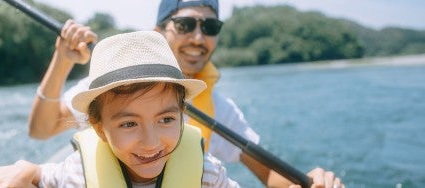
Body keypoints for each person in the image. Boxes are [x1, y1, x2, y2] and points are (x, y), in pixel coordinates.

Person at [27, 0, 343, 187]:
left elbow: (271, 176)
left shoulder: (221, 110)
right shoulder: (110, 89)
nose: (198, 37)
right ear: (159, 32)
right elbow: (41, 130)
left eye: (210, 28)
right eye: (185, 24)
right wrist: (63, 59)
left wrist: (308, 183)